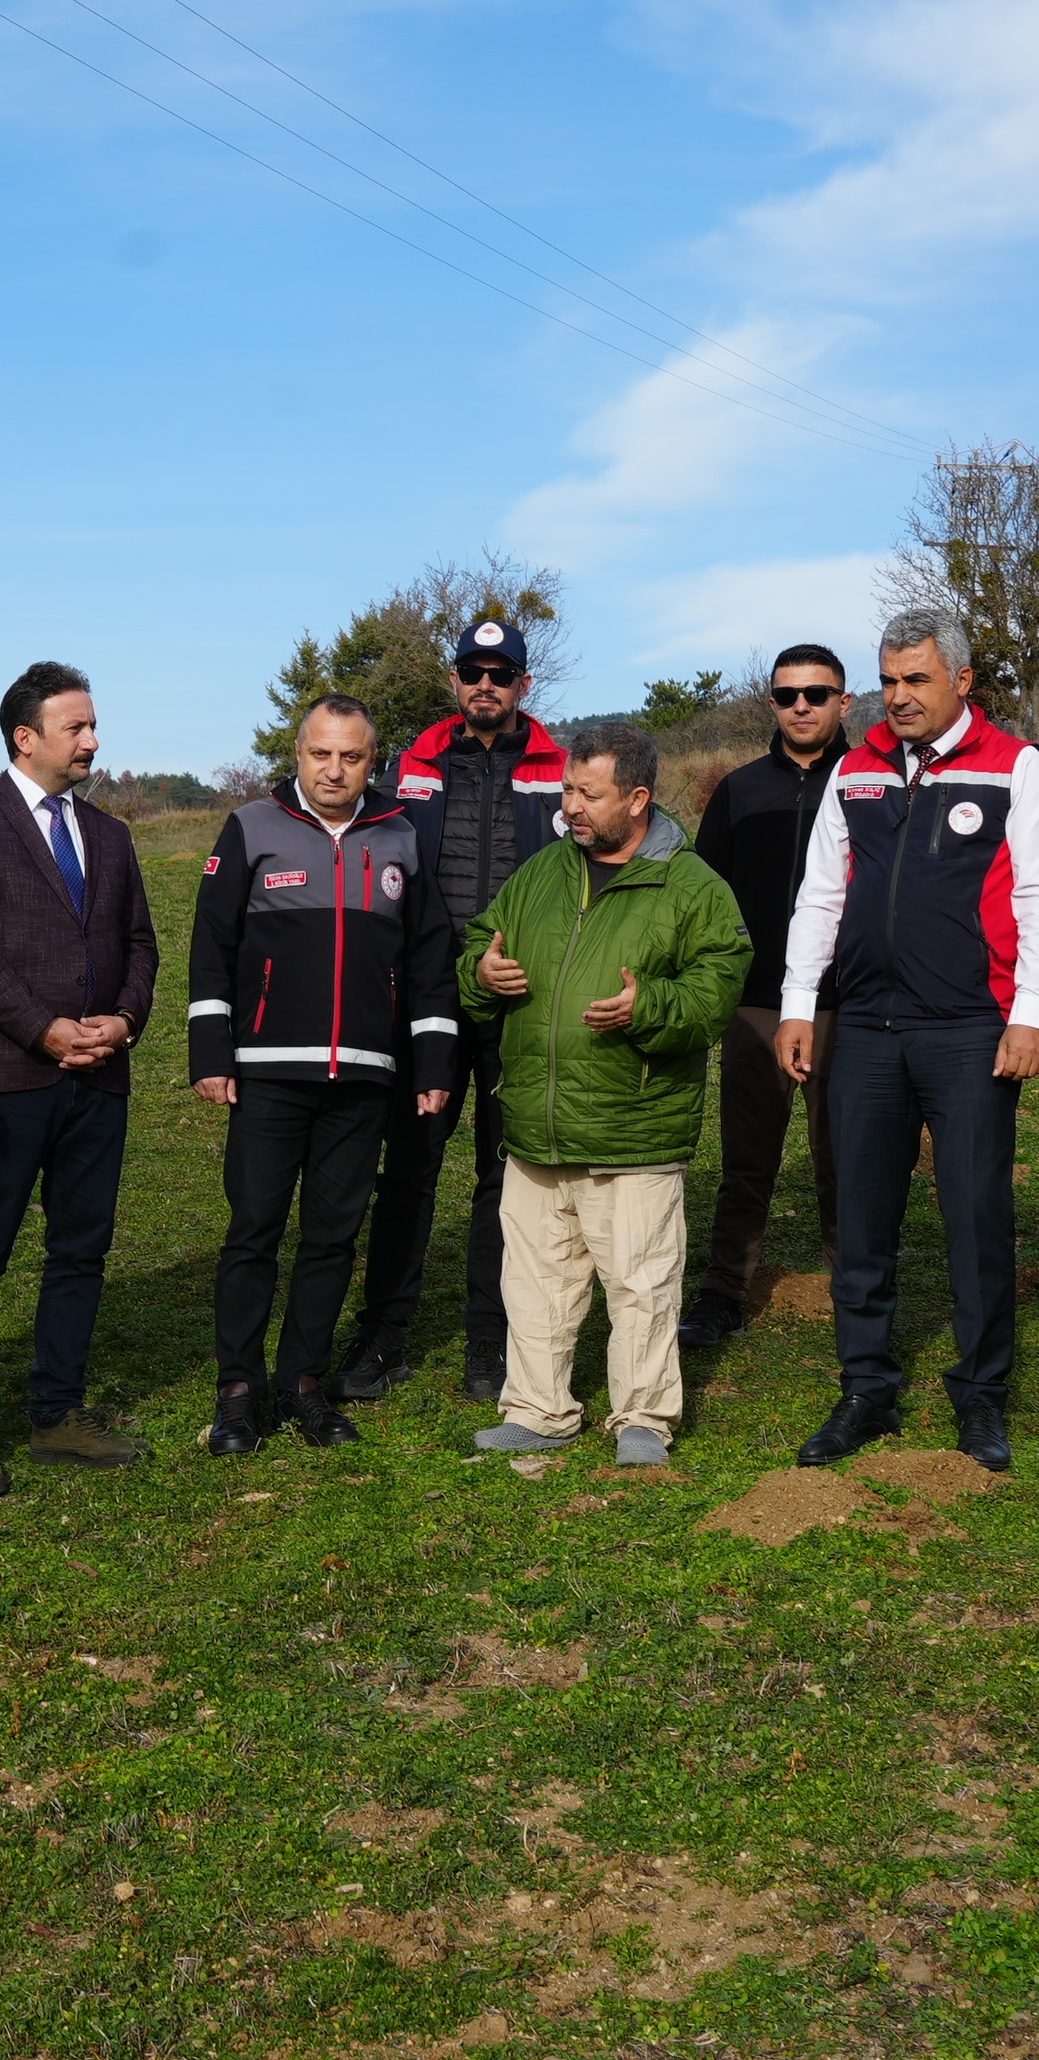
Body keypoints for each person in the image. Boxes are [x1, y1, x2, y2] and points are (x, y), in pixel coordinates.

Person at [777, 608, 1039, 1476]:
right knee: (862, 1217)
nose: (898, 697)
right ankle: (866, 1388)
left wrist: (1033, 1013)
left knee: (976, 1216)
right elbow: (821, 893)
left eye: (918, 680)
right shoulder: (855, 771)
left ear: (963, 682)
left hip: (971, 1028)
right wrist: (800, 1002)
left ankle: (980, 1396)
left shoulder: (1015, 767)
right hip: (865, 1026)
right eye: (889, 679)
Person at [462, 723, 750, 1463]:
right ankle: (537, 1409)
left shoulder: (695, 889)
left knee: (642, 1283)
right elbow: (479, 943)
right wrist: (482, 975)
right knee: (534, 1282)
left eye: (590, 794)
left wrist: (646, 1007)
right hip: (537, 1126)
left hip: (633, 1127)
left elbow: (715, 993)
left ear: (639, 797)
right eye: (567, 789)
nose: (572, 807)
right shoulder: (541, 873)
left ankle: (644, 1420)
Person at [190, 697, 461, 1452]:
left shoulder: (400, 835)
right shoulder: (251, 826)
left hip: (367, 1077)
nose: (333, 770)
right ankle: (239, 1392)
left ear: (374, 761)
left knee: (333, 1239)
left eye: (350, 757)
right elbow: (211, 944)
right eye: (320, 755)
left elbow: (430, 962)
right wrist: (211, 1052)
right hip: (268, 1073)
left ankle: (303, 1383)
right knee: (254, 1232)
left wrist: (433, 1060)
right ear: (297, 753)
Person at [0, 661, 159, 1499]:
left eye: (93, 725)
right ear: (26, 737)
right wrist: (42, 1029)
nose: (93, 741)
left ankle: (58, 1413)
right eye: (77, 727)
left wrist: (123, 1021)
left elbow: (140, 947)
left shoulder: (114, 837)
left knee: (80, 1250)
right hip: (6, 1077)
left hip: (99, 1078)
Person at [339, 619, 568, 1404]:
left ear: (523, 686)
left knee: (506, 1180)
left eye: (501, 675)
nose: (486, 686)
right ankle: (382, 1338)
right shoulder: (407, 768)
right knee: (408, 1169)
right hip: (427, 999)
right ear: (454, 679)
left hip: (521, 998)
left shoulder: (560, 768)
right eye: (473, 672)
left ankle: (490, 1341)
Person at [683, 645, 853, 1344]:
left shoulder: (870, 781)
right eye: (788, 695)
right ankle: (724, 1291)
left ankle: (858, 1286)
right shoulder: (740, 789)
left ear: (845, 701)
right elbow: (705, 895)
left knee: (843, 1150)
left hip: (848, 998)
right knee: (748, 1153)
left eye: (817, 693)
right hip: (755, 999)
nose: (802, 705)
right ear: (772, 704)